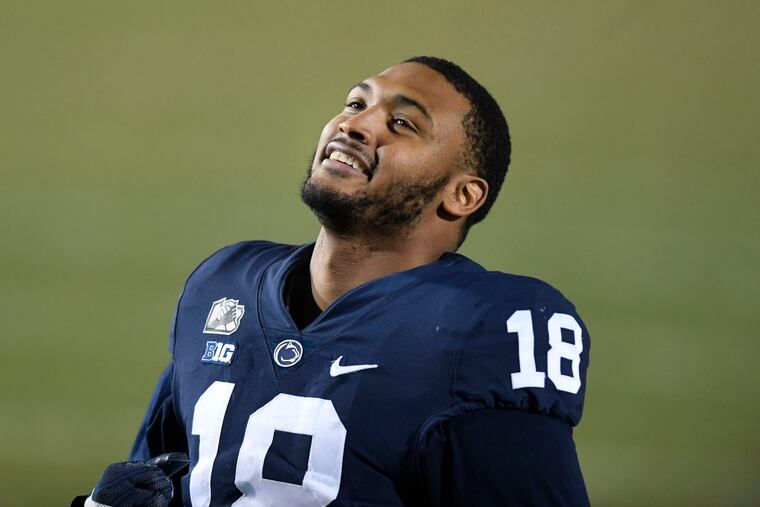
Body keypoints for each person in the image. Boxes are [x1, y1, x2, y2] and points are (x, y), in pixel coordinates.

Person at [75, 56, 591, 507]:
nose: (356, 125)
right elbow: (157, 477)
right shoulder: (223, 284)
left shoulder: (482, 329)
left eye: (403, 123)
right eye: (355, 104)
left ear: (462, 196)